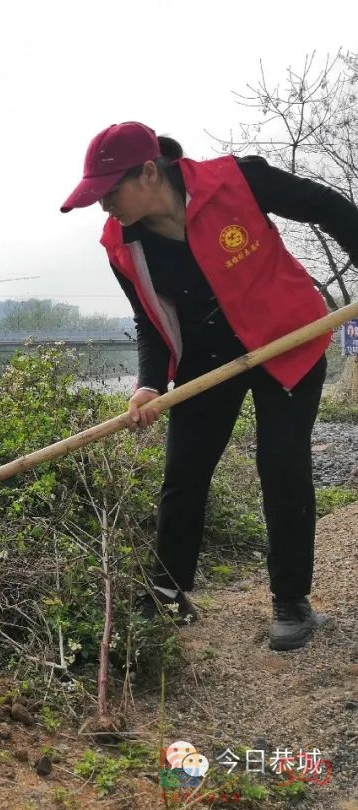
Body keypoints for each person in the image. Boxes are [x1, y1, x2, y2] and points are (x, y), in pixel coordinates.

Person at [59, 121, 358, 651]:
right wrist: (149, 384)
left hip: (287, 338)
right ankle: (168, 593)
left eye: (110, 193)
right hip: (206, 357)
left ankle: (291, 600)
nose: (105, 207)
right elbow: (152, 320)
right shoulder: (120, 243)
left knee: (281, 463)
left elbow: (332, 209)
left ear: (149, 172)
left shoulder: (237, 181)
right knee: (184, 474)